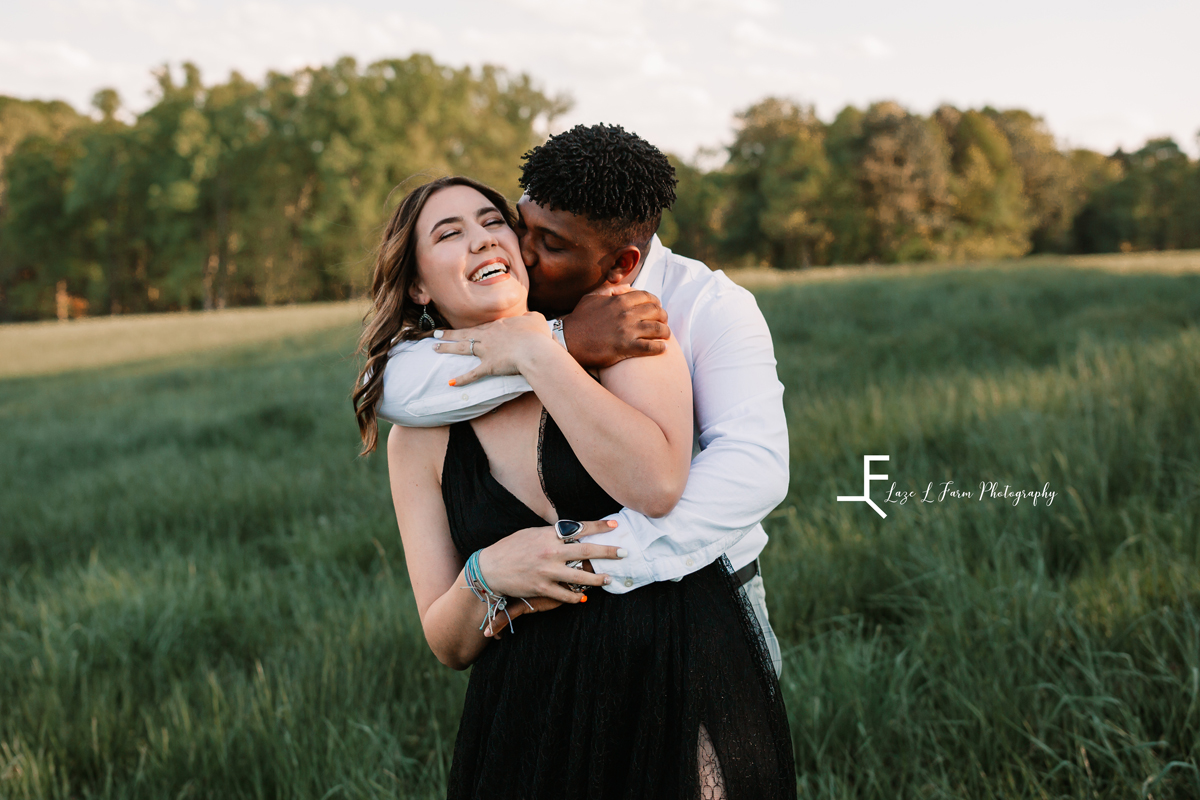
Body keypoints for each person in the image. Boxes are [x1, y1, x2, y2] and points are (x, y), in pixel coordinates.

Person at [353, 173, 795, 798]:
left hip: (673, 659)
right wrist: (488, 574)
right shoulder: (417, 439)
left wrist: (542, 351)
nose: (484, 241)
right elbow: (447, 643)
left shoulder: (625, 338)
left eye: (491, 222)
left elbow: (658, 484)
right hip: (526, 701)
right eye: (450, 233)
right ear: (419, 283)